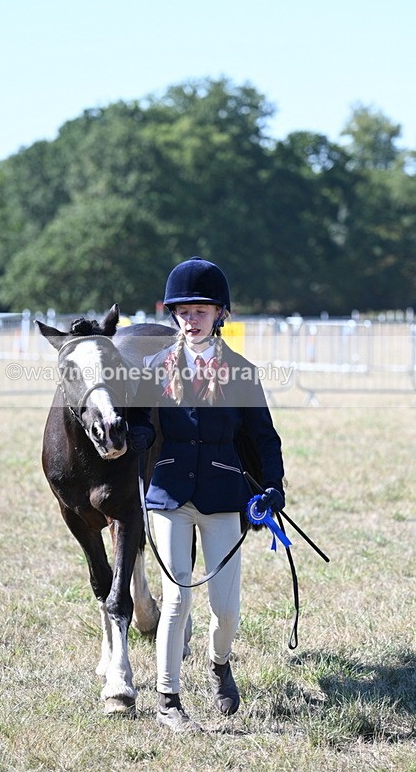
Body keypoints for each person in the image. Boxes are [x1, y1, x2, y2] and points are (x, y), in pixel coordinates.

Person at [128, 257, 286, 733]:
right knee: (177, 598)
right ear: (173, 313)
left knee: (225, 607)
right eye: (183, 311)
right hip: (170, 491)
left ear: (220, 313)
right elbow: (138, 423)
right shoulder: (155, 367)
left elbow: (264, 438)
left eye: (201, 310)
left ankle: (220, 663)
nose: (190, 319)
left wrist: (275, 486)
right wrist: (134, 436)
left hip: (223, 494)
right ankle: (167, 698)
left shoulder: (240, 371)